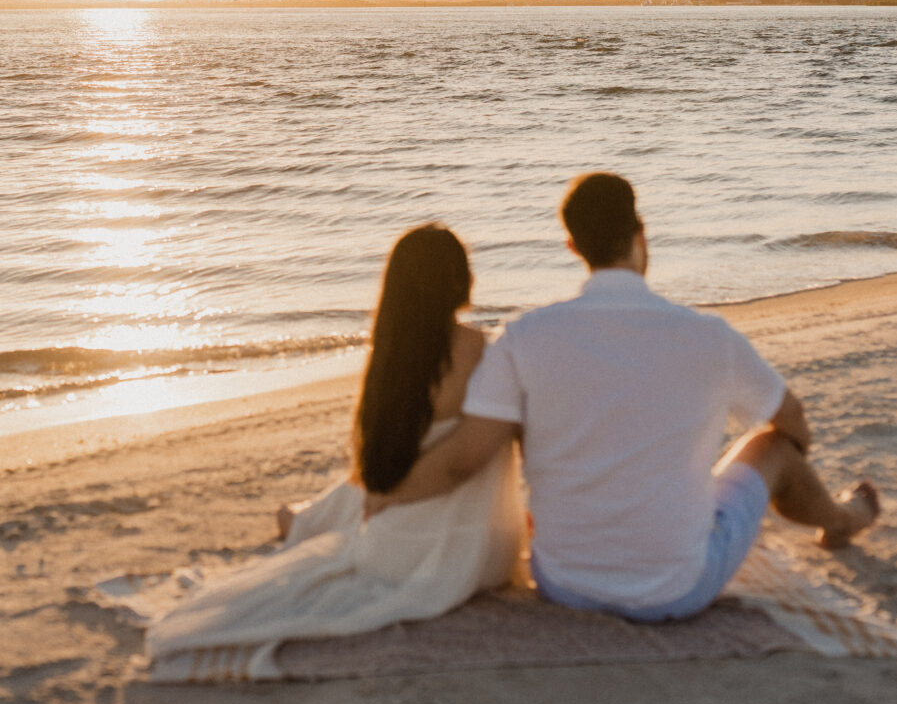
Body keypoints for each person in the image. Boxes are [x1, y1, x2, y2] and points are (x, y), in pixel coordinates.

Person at [367, 174, 879, 623]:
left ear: (572, 246)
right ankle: (842, 520)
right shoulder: (708, 337)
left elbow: (464, 459)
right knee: (774, 447)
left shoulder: (523, 337)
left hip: (562, 583)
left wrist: (382, 496)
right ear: (640, 235)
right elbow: (794, 423)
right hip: (676, 590)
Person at [113, 224, 525, 681]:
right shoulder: (481, 352)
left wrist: (388, 497)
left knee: (352, 503)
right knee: (352, 503)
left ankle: (302, 520)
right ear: (460, 279)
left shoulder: (390, 358)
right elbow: (466, 458)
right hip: (473, 559)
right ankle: (304, 520)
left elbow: (389, 465)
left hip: (391, 550)